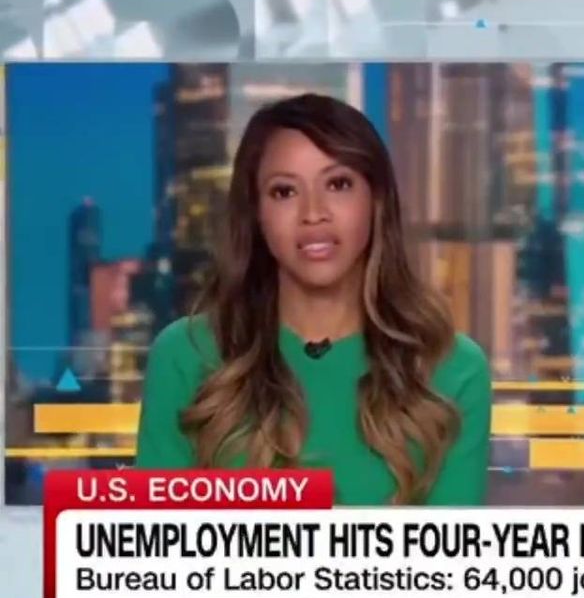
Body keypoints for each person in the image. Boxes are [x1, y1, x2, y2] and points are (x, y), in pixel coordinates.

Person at [136, 93, 492, 505]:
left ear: (375, 200)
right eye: (284, 191)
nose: (313, 213)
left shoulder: (453, 369)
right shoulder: (186, 355)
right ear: (256, 214)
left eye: (338, 184)